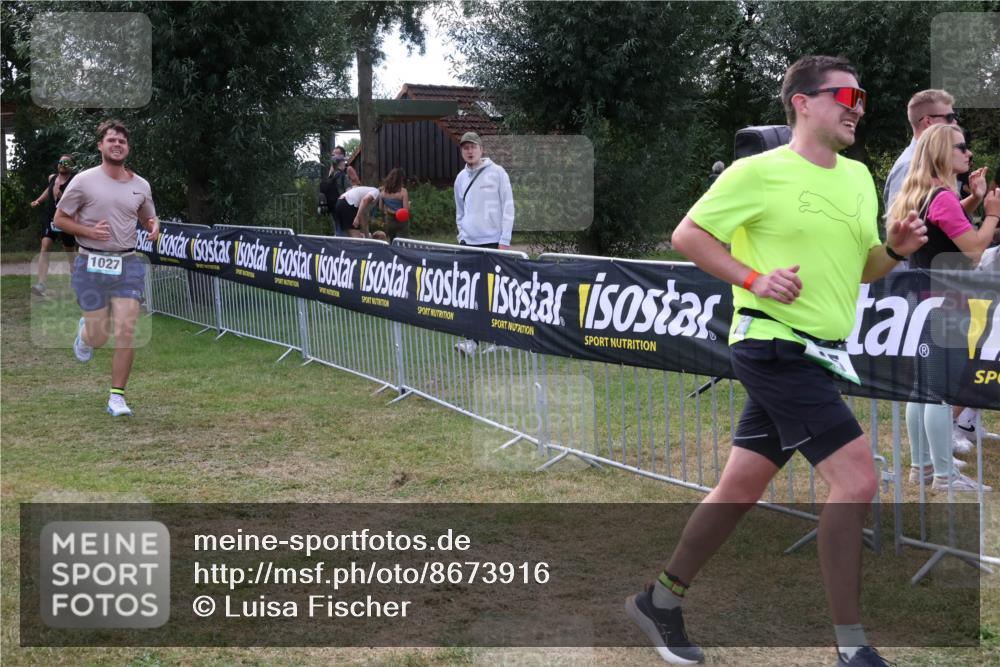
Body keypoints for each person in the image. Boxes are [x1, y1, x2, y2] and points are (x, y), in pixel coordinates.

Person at [627, 56, 926, 667]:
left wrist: (893, 250)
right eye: (846, 94)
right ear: (803, 101)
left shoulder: (859, 177)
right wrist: (754, 278)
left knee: (740, 486)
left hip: (820, 354)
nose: (857, 107)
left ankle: (660, 599)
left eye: (862, 97)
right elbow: (688, 235)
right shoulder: (756, 172)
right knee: (856, 479)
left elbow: (861, 266)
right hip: (772, 345)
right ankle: (852, 648)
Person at [888, 124, 999, 493]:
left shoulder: (923, 193)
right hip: (946, 303)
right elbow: (972, 248)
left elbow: (942, 226)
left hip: (921, 301)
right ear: (940, 153)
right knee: (939, 391)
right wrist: (994, 214)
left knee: (922, 390)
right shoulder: (941, 196)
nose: (968, 153)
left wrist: (974, 199)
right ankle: (943, 475)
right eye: (960, 147)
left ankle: (922, 469)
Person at [53, 120, 160, 417]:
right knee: (99, 336)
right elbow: (60, 219)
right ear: (100, 145)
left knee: (126, 329)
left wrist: (154, 227)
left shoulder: (141, 185)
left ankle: (117, 397)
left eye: (122, 141)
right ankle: (85, 334)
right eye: (111, 140)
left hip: (127, 263)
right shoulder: (84, 181)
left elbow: (148, 217)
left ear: (128, 148)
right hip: (91, 263)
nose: (117, 145)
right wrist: (87, 231)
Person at [453, 131, 515, 356]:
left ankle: (502, 340)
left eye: (473, 147)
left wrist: (504, 240)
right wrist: (462, 234)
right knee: (471, 294)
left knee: (496, 292)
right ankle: (472, 342)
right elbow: (460, 210)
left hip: (494, 242)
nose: (469, 151)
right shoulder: (460, 178)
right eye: (465, 148)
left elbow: (508, 207)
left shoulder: (498, 173)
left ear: (481, 149)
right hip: (469, 243)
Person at [29, 154, 77, 295]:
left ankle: (75, 280)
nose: (63, 164)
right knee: (45, 247)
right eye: (61, 162)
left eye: (67, 163)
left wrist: (61, 196)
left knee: (70, 252)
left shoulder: (75, 181)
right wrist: (38, 200)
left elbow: (75, 201)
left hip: (66, 219)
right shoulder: (52, 178)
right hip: (50, 218)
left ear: (72, 166)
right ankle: (41, 284)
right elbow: (48, 190)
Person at [321, 155, 350, 235]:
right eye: (343, 161)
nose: (345, 163)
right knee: (342, 229)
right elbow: (349, 192)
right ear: (339, 163)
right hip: (341, 204)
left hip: (331, 205)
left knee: (337, 226)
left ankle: (337, 242)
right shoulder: (343, 176)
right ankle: (341, 246)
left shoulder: (330, 176)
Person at [378, 167, 410, 241]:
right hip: (402, 222)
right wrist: (408, 204)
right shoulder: (403, 192)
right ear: (400, 180)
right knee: (403, 243)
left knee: (392, 241)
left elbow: (380, 208)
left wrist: (389, 210)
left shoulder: (383, 192)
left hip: (389, 221)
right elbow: (405, 210)